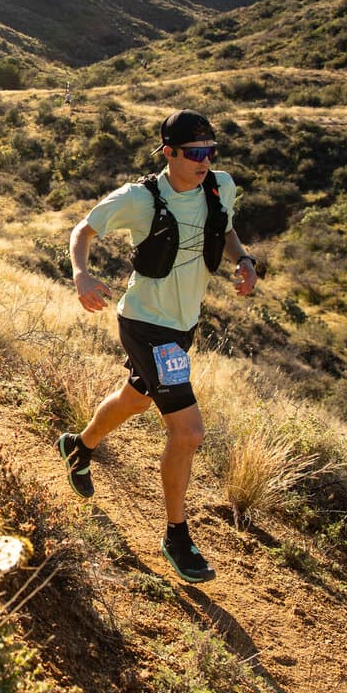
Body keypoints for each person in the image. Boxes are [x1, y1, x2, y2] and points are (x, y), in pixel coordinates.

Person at [58, 109, 258, 584]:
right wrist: (81, 273)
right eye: (194, 153)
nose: (204, 161)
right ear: (168, 152)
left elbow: (225, 228)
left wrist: (244, 258)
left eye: (210, 151)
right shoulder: (139, 198)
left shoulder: (220, 187)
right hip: (146, 324)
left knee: (135, 397)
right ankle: (176, 535)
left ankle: (79, 447)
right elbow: (82, 231)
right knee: (188, 432)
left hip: (183, 323)